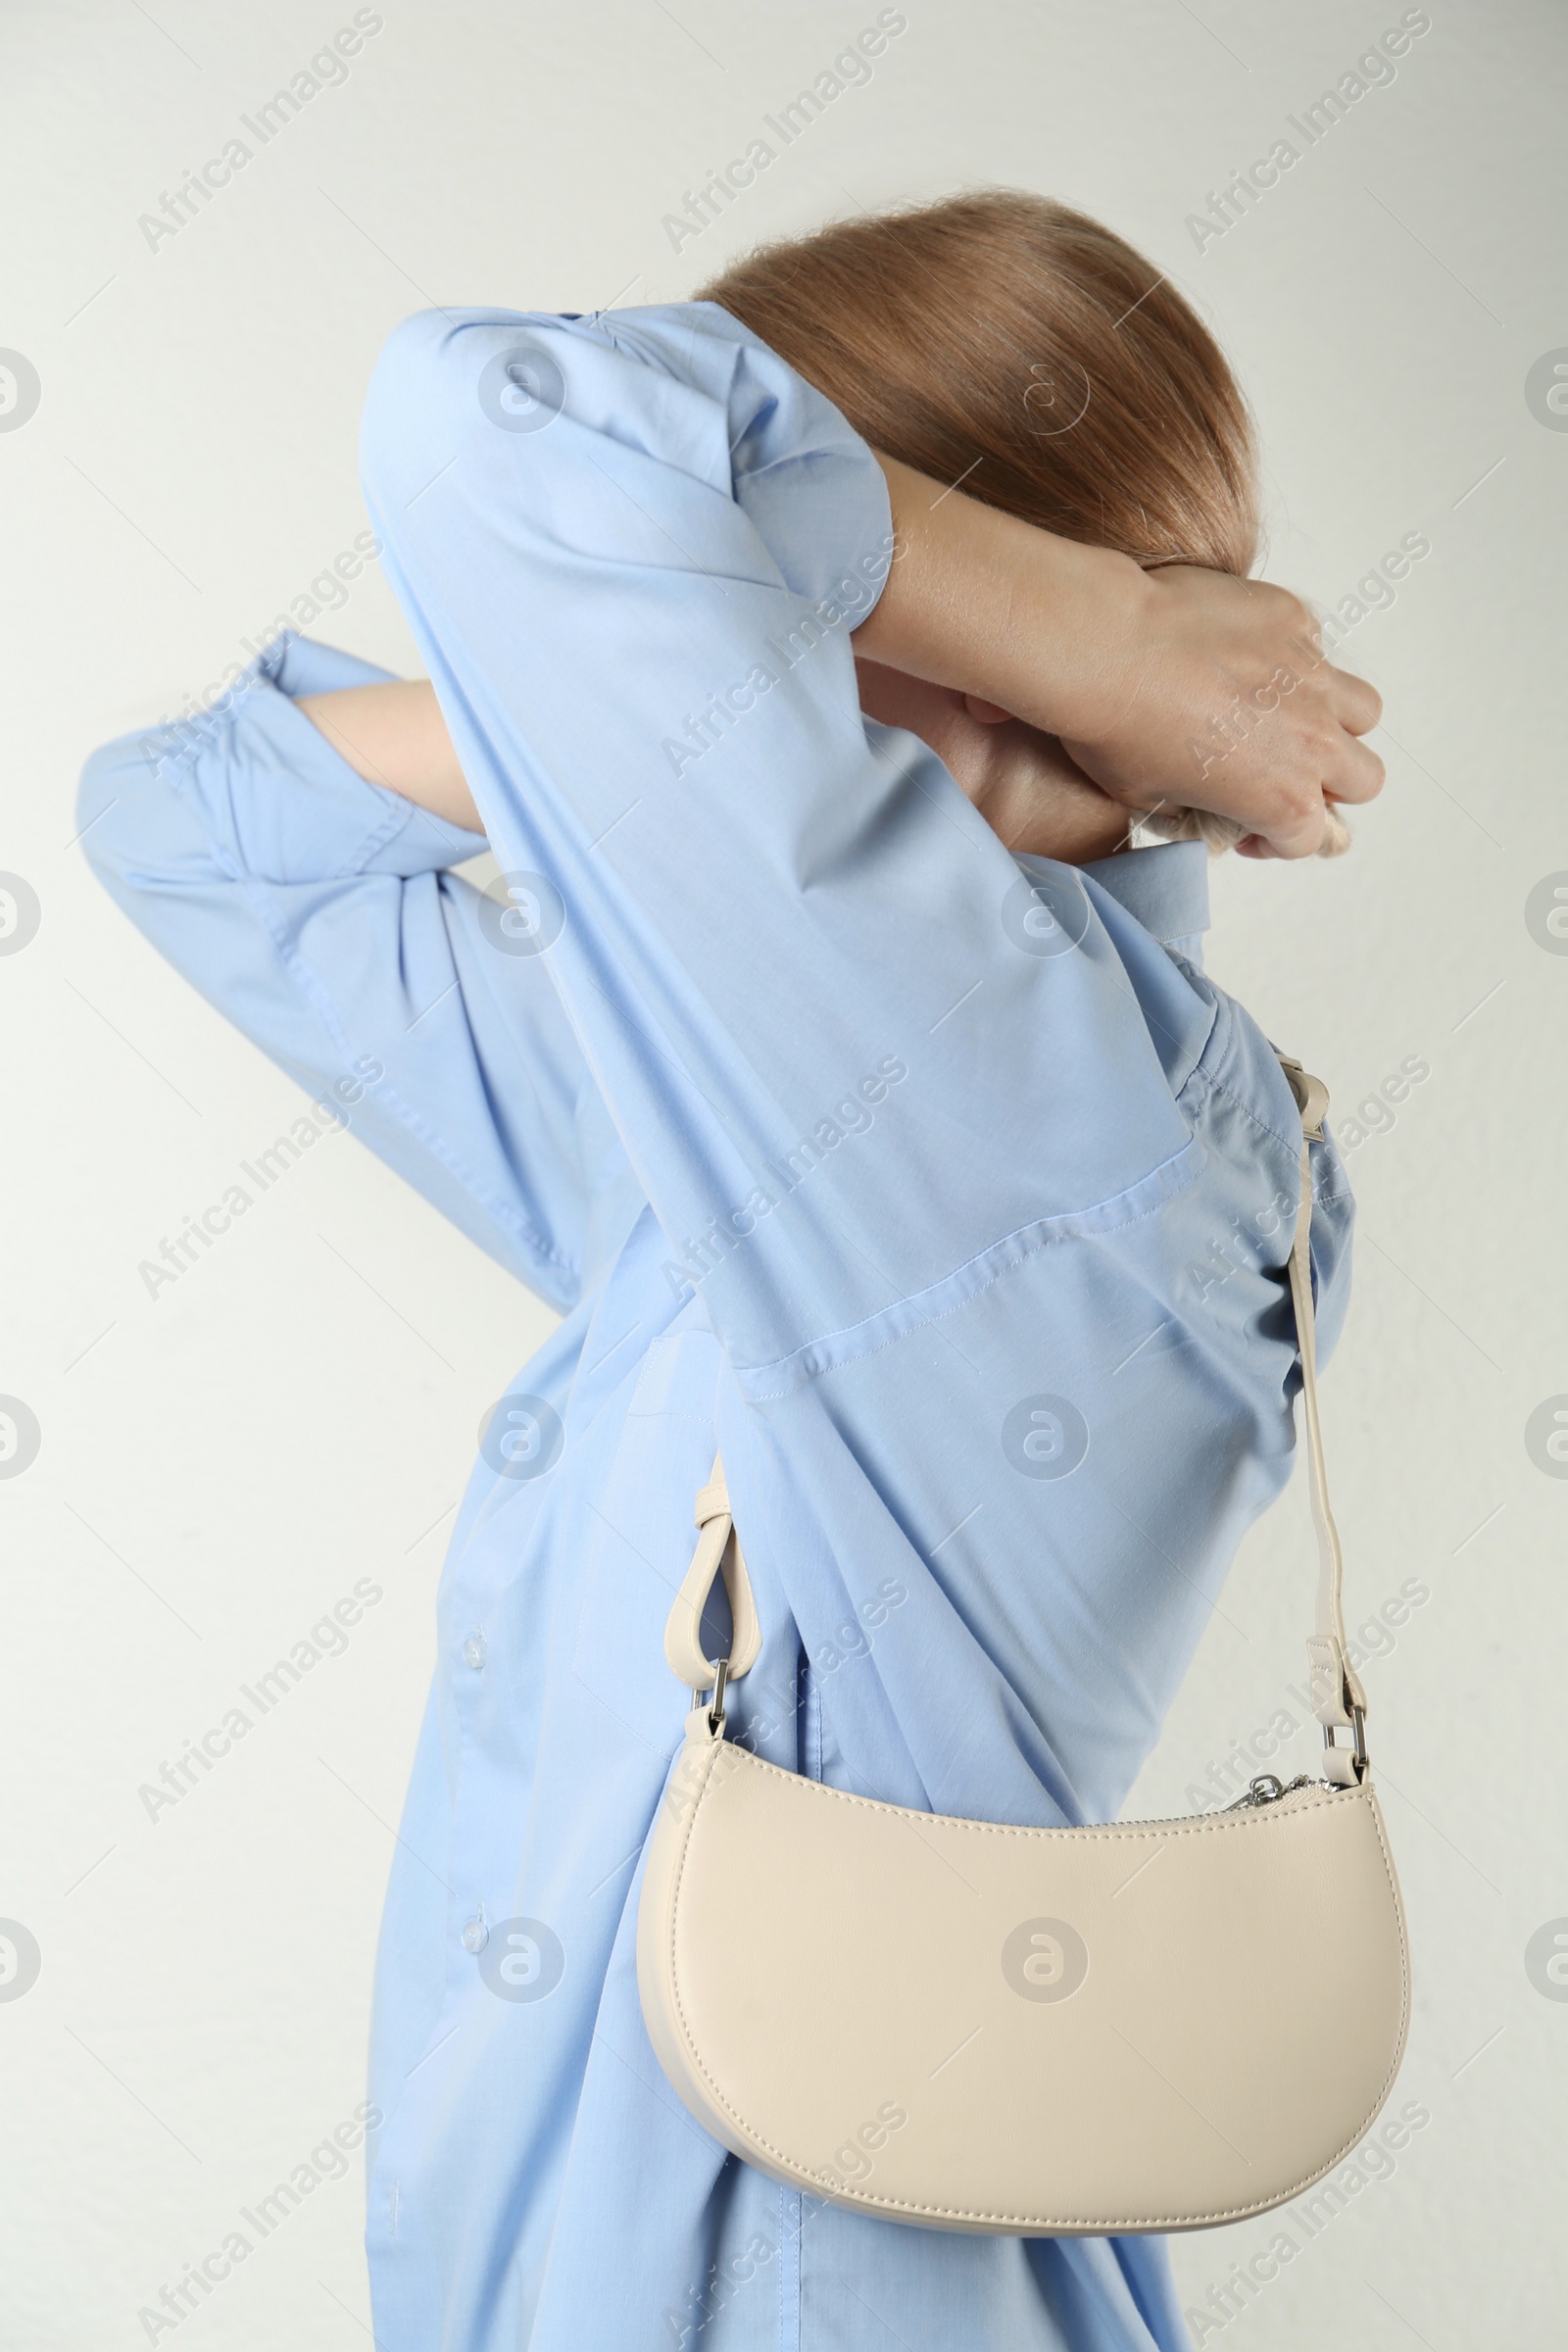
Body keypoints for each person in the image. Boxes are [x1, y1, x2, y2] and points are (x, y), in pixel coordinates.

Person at [78, 192, 1383, 2352]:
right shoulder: (814, 1116)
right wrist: (617, 712)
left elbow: (503, 420)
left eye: (775, 554)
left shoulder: (1013, 1109)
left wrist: (1080, 647)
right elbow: (189, 825)